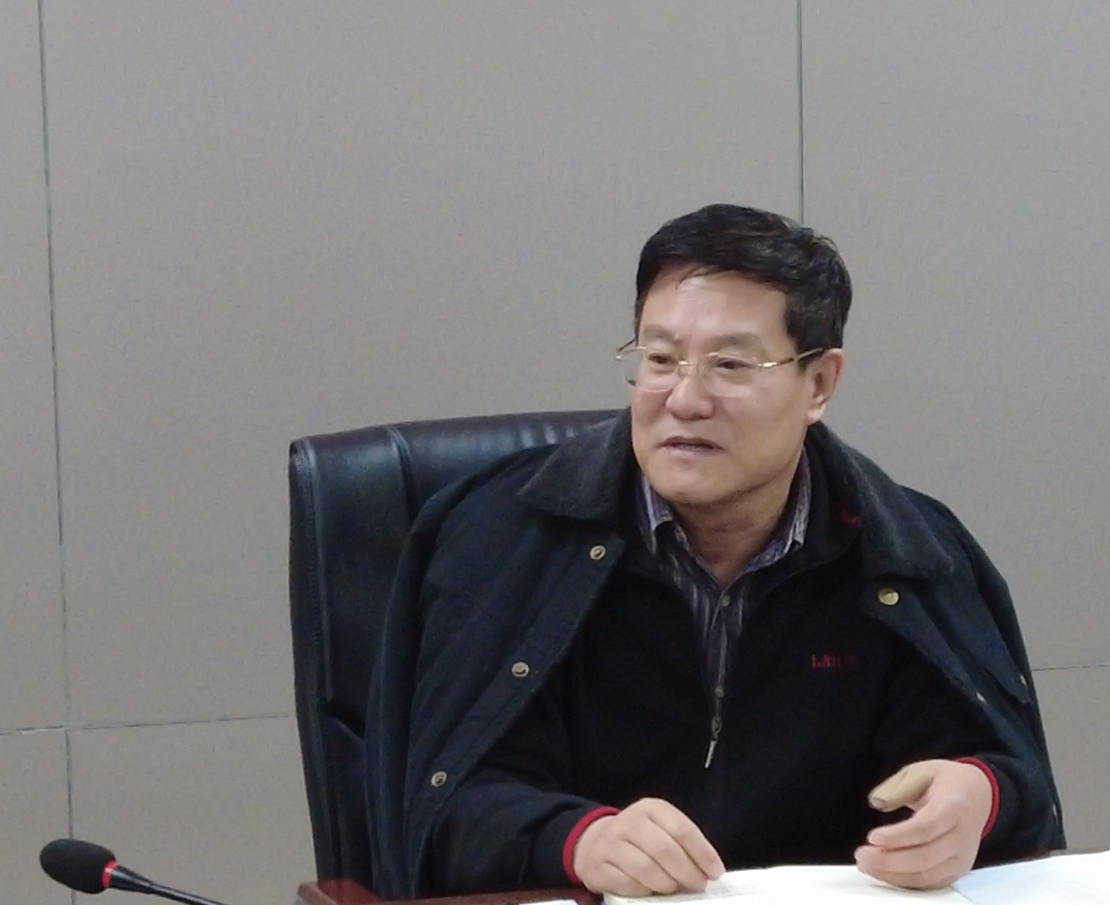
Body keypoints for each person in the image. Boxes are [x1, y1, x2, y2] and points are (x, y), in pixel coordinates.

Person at [365, 204, 1064, 900]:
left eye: (729, 364)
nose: (684, 399)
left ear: (819, 384)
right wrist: (580, 840)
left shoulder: (905, 551)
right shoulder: (503, 536)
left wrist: (980, 794)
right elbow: (442, 812)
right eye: (660, 359)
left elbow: (1011, 781)